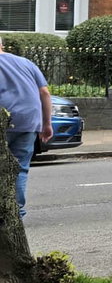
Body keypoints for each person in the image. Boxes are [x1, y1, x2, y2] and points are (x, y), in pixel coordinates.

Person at [0, 38, 51, 217]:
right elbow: (44, 92)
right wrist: (47, 123)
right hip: (29, 121)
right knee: (20, 168)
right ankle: (17, 213)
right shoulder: (26, 63)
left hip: (3, 121)